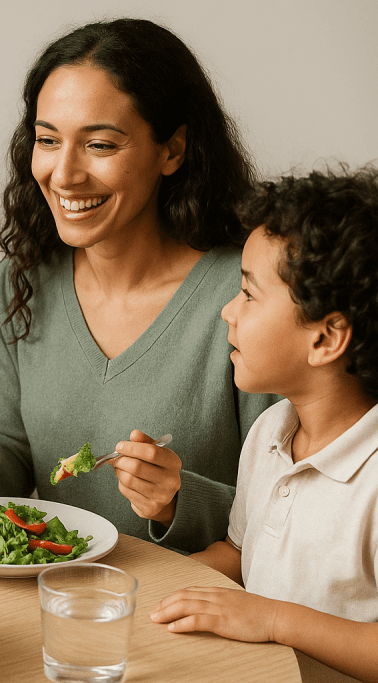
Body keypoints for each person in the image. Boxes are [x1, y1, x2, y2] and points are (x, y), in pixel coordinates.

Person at [0, 18, 277, 552]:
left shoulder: (247, 294)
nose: (64, 174)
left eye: (100, 145)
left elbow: (289, 509)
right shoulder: (21, 280)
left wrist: (179, 499)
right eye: (47, 140)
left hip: (190, 612)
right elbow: (14, 466)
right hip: (54, 596)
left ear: (173, 151)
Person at [151, 167, 378, 683]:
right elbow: (237, 553)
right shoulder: (273, 429)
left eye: (249, 295)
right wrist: (141, 586)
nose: (228, 311)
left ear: (325, 339)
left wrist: (273, 619)